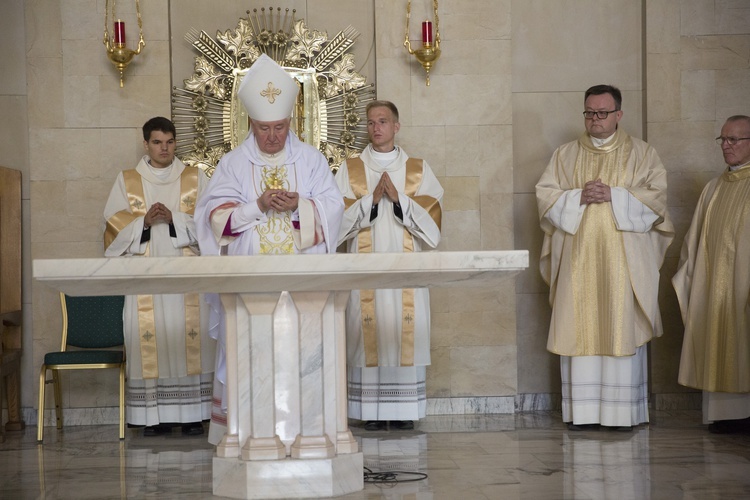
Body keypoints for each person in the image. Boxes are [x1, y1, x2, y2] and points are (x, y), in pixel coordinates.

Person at [194, 54, 344, 445]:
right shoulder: (232, 164)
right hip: (250, 282)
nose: (273, 136)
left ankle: (305, 430)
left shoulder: (311, 162)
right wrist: (256, 206)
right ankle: (247, 431)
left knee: (301, 356)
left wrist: (300, 206)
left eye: (279, 127)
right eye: (265, 128)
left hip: (301, 285)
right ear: (251, 124)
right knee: (252, 358)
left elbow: (334, 211)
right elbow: (212, 218)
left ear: (290, 123)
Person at [535, 84, 674, 431]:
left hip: (623, 267)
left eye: (601, 113)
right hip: (577, 264)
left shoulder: (643, 154)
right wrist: (575, 198)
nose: (594, 120)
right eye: (589, 113)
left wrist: (615, 195)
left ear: (618, 115)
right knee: (578, 324)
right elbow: (545, 197)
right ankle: (581, 413)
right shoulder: (564, 155)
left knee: (620, 324)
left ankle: (621, 413)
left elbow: (656, 201)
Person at [334, 100, 443, 431]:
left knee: (400, 329)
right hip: (364, 271)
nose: (376, 127)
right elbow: (334, 223)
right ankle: (370, 412)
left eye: (383, 121)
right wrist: (371, 200)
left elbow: (434, 227)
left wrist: (399, 200)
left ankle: (404, 411)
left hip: (405, 271)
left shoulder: (418, 169)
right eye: (370, 122)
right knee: (369, 329)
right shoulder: (350, 169)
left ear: (396, 126)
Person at [103, 116, 214, 436]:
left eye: (169, 142)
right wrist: (145, 224)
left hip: (188, 278)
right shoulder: (127, 181)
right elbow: (111, 227)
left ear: (175, 143)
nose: (163, 148)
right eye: (156, 142)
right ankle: (154, 418)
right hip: (145, 279)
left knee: (187, 338)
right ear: (145, 144)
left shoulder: (196, 177)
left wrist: (176, 219)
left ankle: (193, 415)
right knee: (151, 342)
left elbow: (212, 224)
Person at [673, 115, 750, 433]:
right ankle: (724, 414)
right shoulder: (713, 189)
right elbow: (693, 243)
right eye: (723, 140)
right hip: (714, 288)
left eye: (734, 140)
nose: (727, 147)